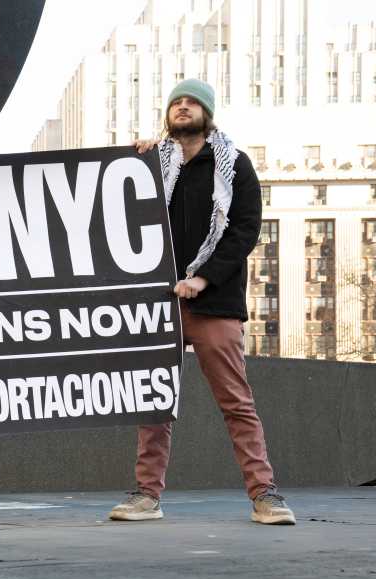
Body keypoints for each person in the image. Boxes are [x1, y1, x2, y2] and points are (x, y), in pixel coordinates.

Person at [109, 79, 295, 525]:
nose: (184, 107)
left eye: (192, 102)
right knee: (153, 405)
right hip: (158, 305)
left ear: (208, 113)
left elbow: (245, 230)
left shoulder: (236, 165)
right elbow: (115, 210)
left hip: (214, 304)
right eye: (176, 102)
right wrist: (135, 160)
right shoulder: (152, 165)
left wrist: (203, 278)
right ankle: (146, 496)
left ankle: (264, 496)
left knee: (236, 402)